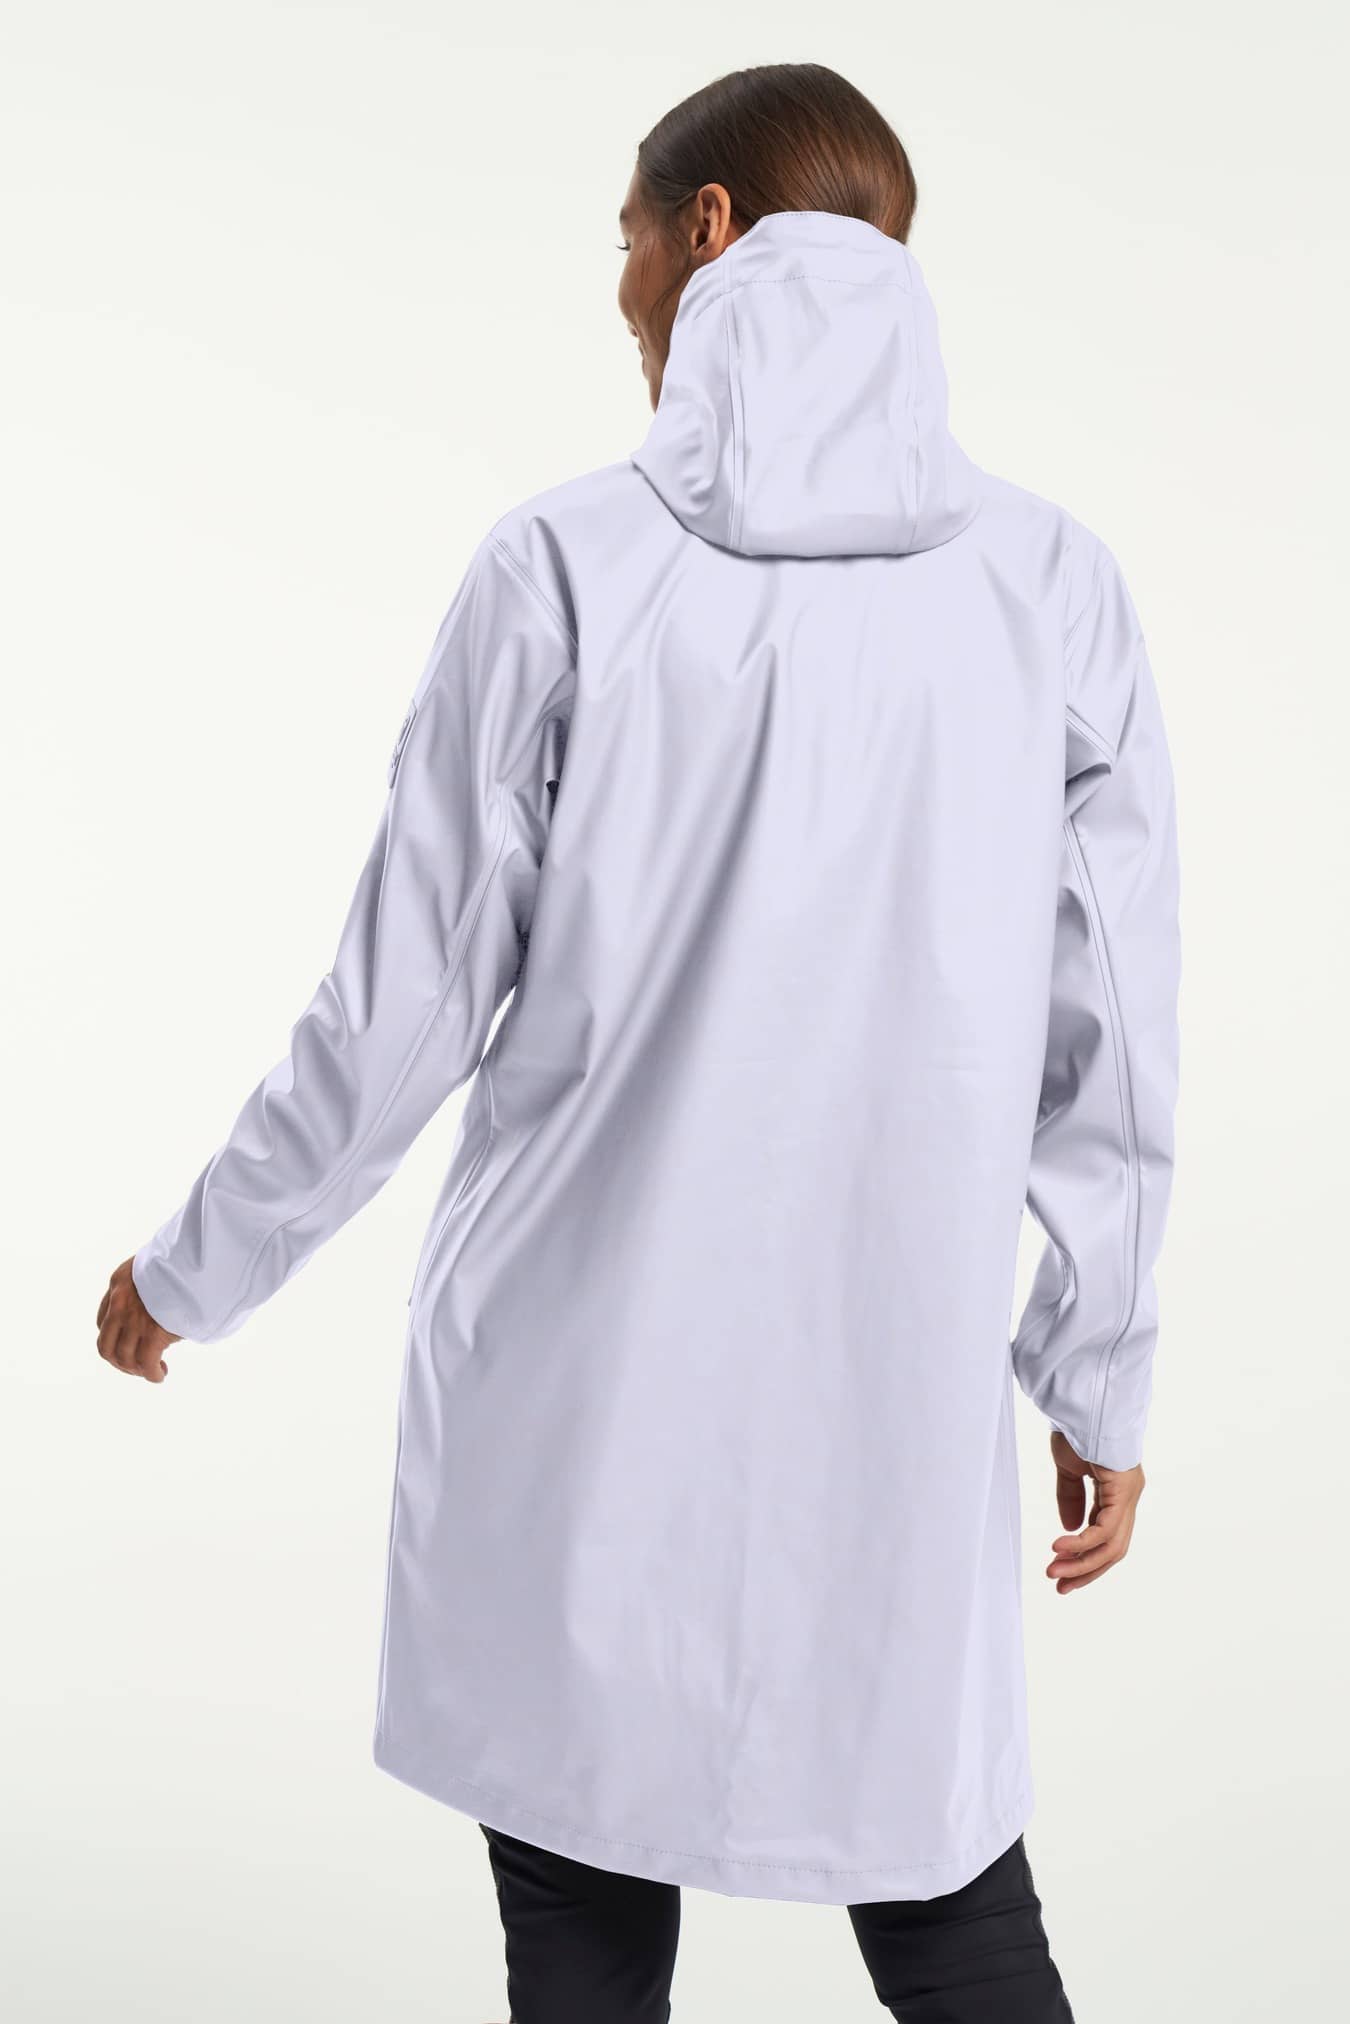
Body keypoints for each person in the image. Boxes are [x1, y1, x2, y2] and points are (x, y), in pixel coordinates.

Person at [96, 61, 1181, 2024]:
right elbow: (1114, 1026)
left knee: (582, 1933)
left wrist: (198, 1265)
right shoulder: (1051, 588)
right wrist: (1096, 1366)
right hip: (887, 1408)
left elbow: (402, 1008)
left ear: (707, 229)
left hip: (575, 1411)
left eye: (626, 241)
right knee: (946, 1904)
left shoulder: (563, 566)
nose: (620, 294)